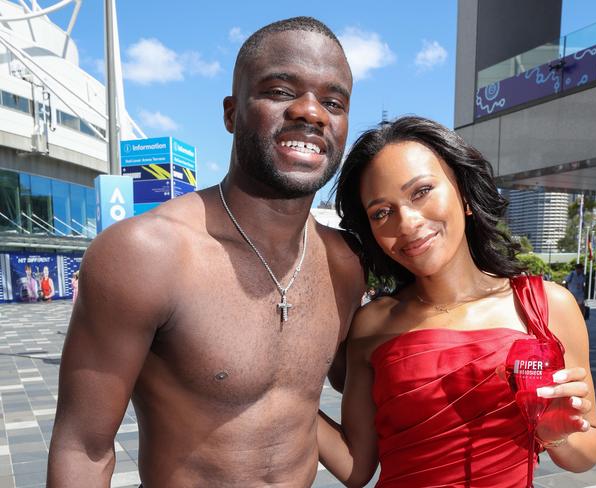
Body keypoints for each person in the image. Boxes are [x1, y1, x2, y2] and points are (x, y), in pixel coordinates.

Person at [47, 17, 364, 487]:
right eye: (280, 91)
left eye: (333, 102)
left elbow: (356, 395)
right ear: (231, 113)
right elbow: (83, 448)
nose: (311, 112)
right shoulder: (148, 253)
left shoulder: (343, 263)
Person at [317, 117, 596, 487]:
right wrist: (285, 394)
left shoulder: (547, 307)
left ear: (465, 195)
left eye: (420, 191)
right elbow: (356, 468)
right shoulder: (372, 325)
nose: (406, 223)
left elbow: (588, 452)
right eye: (381, 212)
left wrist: (553, 434)